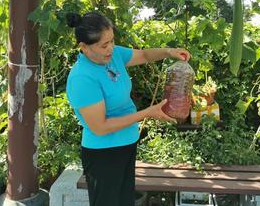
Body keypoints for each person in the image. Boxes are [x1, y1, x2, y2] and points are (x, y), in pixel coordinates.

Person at [65, 11, 191, 206]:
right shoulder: (82, 77)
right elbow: (100, 127)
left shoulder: (113, 56)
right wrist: (146, 113)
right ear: (84, 47)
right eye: (104, 45)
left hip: (127, 143)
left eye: (112, 41)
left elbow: (144, 55)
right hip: (103, 154)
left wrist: (169, 52)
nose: (111, 48)